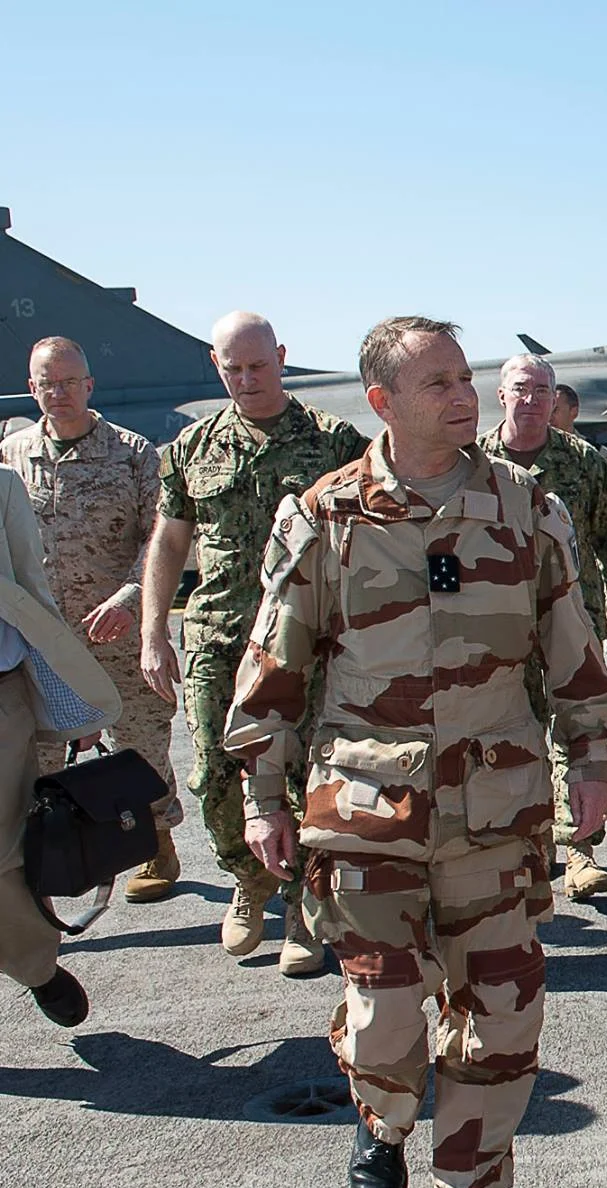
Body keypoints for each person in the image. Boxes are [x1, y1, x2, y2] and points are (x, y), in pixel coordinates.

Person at [224, 316, 607, 1188]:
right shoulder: (325, 514)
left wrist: (592, 759)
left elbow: (572, 643)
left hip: (496, 806)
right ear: (382, 403)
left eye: (463, 377)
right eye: (437, 381)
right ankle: (382, 1119)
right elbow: (275, 667)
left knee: (503, 1005)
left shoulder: (525, 506)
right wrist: (262, 795)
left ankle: (472, 1179)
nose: (462, 395)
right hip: (367, 808)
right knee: (386, 1010)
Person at [140, 311, 367, 976]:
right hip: (218, 635)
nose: (246, 379)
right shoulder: (192, 448)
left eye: (258, 366)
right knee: (214, 770)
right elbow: (171, 541)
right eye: (233, 368)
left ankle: (303, 903)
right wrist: (155, 630)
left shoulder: (333, 441)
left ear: (282, 358)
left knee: (307, 775)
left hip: (308, 637)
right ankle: (250, 878)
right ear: (217, 367)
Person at [2, 338, 184, 902]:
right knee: (40, 755)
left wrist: (130, 599)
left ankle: (157, 842)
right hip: (42, 644)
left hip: (115, 632)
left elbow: (163, 537)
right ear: (31, 388)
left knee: (140, 742)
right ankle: (51, 857)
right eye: (46, 383)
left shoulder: (132, 454)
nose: (58, 393)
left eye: (69, 381)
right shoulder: (13, 454)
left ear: (89, 385)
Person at [477, 354, 607, 902]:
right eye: (522, 389)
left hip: (570, 617)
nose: (533, 399)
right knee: (512, 733)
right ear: (501, 395)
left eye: (543, 390)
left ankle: (580, 851)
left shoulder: (585, 462)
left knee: (578, 730)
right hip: (497, 624)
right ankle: (527, 846)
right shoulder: (472, 461)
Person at [0, 460, 123, 1027]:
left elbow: (30, 593)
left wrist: (74, 706)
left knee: (2, 852)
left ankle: (35, 965)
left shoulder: (1, 486)